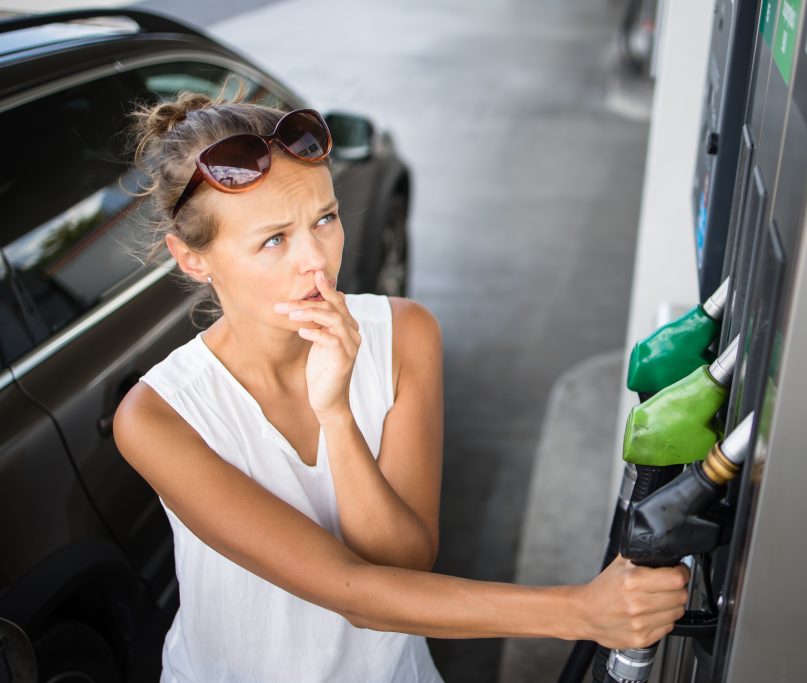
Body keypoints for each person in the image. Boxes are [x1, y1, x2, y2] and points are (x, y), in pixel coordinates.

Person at [112, 88, 690, 683]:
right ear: (192, 259)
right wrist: (582, 612)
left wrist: (336, 415)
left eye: (325, 218)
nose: (317, 260)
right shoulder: (161, 417)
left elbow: (405, 562)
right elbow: (358, 596)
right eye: (274, 240)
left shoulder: (405, 334)